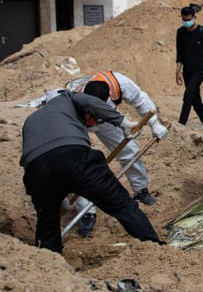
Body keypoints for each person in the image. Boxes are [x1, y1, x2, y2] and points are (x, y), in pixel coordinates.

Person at [21, 90, 160, 253]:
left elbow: (43, 157)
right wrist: (121, 121)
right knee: (123, 205)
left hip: (36, 171)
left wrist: (54, 198)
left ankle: (50, 266)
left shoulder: (31, 120)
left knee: (47, 222)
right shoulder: (67, 98)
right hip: (74, 156)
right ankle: (155, 248)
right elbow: (89, 102)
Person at [175, 6, 203, 128]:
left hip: (200, 69)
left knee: (188, 95)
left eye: (188, 19)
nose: (186, 22)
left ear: (195, 17)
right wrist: (177, 72)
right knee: (195, 99)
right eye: (184, 20)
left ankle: (181, 125)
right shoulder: (180, 33)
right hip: (187, 70)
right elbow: (180, 54)